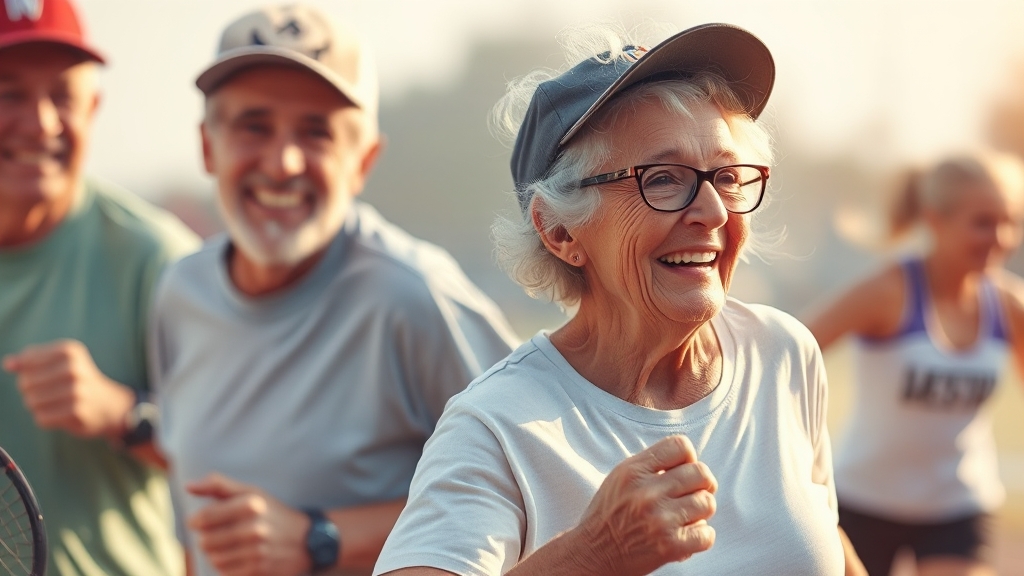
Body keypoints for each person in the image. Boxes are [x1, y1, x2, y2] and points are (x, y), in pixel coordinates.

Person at [374, 22, 865, 576]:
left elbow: (824, 537)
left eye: (726, 175)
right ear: (560, 231)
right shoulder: (496, 426)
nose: (714, 212)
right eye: (662, 178)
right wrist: (591, 555)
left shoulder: (783, 353)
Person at [147, 4, 519, 576]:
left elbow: (531, 489)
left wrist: (322, 539)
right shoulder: (179, 292)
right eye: (254, 125)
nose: (283, 162)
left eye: (316, 132)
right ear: (206, 146)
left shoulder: (416, 297)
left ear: (363, 161)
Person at [0, 0, 200, 574]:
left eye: (62, 95)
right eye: (9, 93)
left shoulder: (161, 260)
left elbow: (255, 457)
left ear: (94, 107)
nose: (40, 122)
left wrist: (124, 414)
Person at [802, 151, 1024, 576]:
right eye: (983, 222)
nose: (1001, 237)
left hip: (958, 506)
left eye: (1010, 221)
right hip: (864, 500)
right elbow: (789, 351)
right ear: (935, 220)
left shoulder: (1009, 305)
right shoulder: (888, 290)